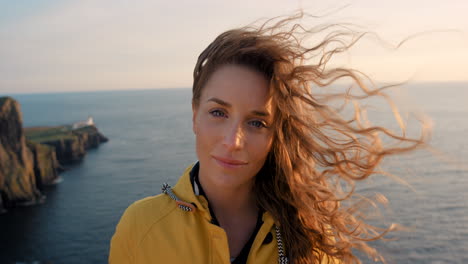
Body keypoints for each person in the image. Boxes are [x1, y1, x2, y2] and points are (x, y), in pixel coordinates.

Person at [109, 13, 428, 264]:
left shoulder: (309, 233)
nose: (234, 141)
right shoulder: (141, 225)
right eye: (218, 113)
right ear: (194, 114)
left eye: (257, 122)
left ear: (277, 134)